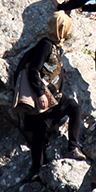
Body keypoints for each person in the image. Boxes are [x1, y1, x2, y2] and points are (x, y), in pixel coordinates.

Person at [15, 11, 84, 178]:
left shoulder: (55, 46)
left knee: (73, 110)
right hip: (46, 96)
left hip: (55, 97)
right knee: (41, 132)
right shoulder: (45, 45)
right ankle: (38, 170)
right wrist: (40, 94)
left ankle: (71, 148)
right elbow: (33, 71)